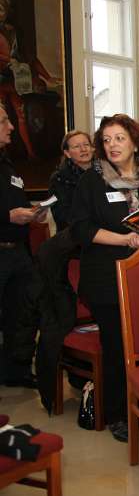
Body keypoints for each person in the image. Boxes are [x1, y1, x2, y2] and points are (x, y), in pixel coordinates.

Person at [70, 114, 139, 441]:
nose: (112, 145)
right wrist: (126, 240)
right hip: (106, 277)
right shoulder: (92, 181)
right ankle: (118, 413)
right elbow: (81, 229)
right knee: (116, 346)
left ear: (134, 142)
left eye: (119, 138)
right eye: (107, 139)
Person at [0, 102, 43, 388]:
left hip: (18, 252)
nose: (12, 126)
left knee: (22, 314)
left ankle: (16, 371)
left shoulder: (7, 163)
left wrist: (30, 211)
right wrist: (7, 216)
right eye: (4, 121)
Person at [49, 130, 93, 231]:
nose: (83, 149)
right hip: (75, 234)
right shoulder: (59, 178)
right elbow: (62, 216)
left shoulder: (106, 172)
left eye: (86, 144)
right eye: (77, 146)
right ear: (67, 153)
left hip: (107, 233)